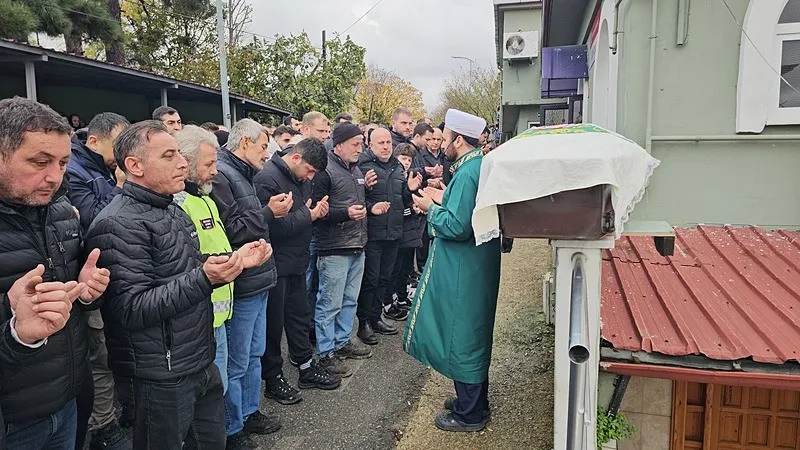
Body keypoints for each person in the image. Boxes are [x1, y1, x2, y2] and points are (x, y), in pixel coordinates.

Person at [87, 120, 272, 449]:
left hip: (198, 359)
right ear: (135, 165)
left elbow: (184, 266)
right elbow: (131, 308)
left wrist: (234, 259)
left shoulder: (171, 208)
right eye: (169, 155)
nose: (182, 162)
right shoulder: (118, 224)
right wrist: (205, 278)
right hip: (160, 375)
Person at [0, 97, 111, 450]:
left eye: (63, 162)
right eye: (40, 162)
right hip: (13, 421)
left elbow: (72, 295)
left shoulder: (61, 209)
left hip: (68, 400)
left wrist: (88, 290)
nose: (55, 177)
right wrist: (16, 329)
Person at [403, 109, 502, 433]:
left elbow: (458, 225)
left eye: (445, 137)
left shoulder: (468, 170)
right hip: (474, 266)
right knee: (470, 332)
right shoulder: (475, 166)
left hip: (465, 269)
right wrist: (444, 197)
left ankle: (470, 414)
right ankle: (472, 402)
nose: (441, 142)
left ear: (458, 140)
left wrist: (429, 207)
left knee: (462, 335)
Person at [211, 118, 290, 449]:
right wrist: (269, 213)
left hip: (259, 280)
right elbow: (232, 230)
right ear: (244, 143)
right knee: (237, 361)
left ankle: (249, 411)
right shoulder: (222, 176)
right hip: (241, 285)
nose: (266, 153)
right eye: (262, 146)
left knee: (254, 354)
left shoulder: (246, 174)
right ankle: (232, 426)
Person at [254, 138, 342, 405]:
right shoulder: (267, 179)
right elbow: (272, 227)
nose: (310, 177)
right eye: (310, 171)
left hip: (297, 261)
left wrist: (316, 212)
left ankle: (305, 366)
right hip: (275, 264)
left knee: (299, 317)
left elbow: (302, 214)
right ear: (295, 159)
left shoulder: (301, 179)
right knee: (274, 325)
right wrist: (310, 216)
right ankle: (273, 378)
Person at [174, 125, 259, 398]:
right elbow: (184, 258)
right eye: (209, 163)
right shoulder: (181, 202)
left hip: (219, 310)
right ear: (185, 162)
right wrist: (235, 259)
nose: (215, 170)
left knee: (221, 382)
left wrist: (239, 257)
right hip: (200, 313)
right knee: (212, 389)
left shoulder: (205, 196)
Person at [66, 112, 133, 450]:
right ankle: (103, 427)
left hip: (112, 278)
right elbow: (94, 222)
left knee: (112, 351)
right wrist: (121, 186)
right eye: (117, 144)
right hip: (88, 280)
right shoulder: (74, 171)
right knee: (99, 359)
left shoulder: (103, 167)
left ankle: (117, 413)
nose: (123, 153)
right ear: (94, 140)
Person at [311, 123, 377, 377]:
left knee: (349, 300)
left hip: (357, 246)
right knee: (329, 304)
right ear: (338, 145)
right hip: (334, 249)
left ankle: (342, 341)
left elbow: (358, 202)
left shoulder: (356, 169)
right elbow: (316, 211)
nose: (360, 149)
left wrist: (371, 205)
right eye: (355, 144)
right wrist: (344, 214)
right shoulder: (324, 172)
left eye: (361, 144)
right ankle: (326, 353)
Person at [355, 128, 422, 346]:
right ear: (370, 144)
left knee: (386, 278)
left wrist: (410, 190)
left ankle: (377, 317)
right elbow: (355, 199)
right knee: (371, 279)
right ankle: (364, 322)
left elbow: (401, 195)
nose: (385, 146)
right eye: (380, 143)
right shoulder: (362, 167)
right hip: (373, 234)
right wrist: (367, 195)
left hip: (394, 232)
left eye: (388, 143)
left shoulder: (396, 166)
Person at [388, 143, 424, 313]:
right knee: (395, 268)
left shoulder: (408, 176)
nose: (407, 162)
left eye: (409, 159)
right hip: (398, 229)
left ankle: (402, 296)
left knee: (406, 268)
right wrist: (411, 208)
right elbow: (398, 204)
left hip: (410, 229)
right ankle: (390, 299)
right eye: (403, 158)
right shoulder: (394, 176)